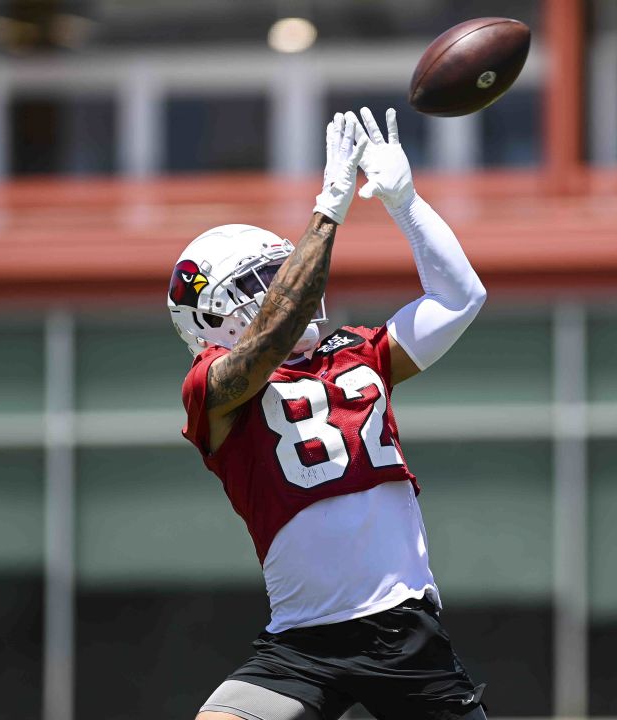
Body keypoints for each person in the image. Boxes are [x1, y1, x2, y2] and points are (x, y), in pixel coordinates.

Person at [169, 108, 489, 720]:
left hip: (404, 632)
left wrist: (406, 202)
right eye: (265, 278)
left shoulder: (360, 352)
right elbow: (267, 340)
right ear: (213, 316)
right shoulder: (212, 387)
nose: (294, 285)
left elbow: (459, 298)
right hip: (303, 642)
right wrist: (330, 207)